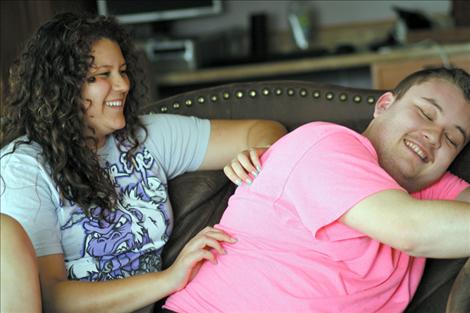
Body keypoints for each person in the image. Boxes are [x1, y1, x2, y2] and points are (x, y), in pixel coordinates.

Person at [0, 12, 286, 313]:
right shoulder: (24, 168)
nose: (123, 85)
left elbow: (266, 130)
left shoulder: (145, 136)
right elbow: (52, 297)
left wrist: (258, 154)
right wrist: (168, 280)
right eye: (101, 75)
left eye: (122, 71)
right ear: (61, 87)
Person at [164, 67, 470, 313]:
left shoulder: (424, 188)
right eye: (426, 114)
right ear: (384, 105)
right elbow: (411, 229)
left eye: (452, 140)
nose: (433, 136)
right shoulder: (325, 145)